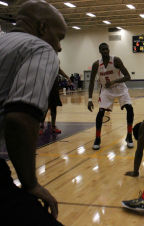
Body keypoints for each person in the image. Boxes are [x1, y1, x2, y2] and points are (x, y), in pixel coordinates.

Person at [0, 1, 66, 225]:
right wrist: (30, 183)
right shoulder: (40, 49)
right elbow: (19, 117)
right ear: (42, 28)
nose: (59, 47)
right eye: (59, 37)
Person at [88, 43, 134, 150]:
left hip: (120, 87)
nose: (105, 51)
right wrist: (90, 99)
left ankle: (129, 136)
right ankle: (97, 138)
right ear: (99, 51)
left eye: (106, 49)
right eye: (102, 49)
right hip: (106, 89)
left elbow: (128, 76)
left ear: (109, 50)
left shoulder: (116, 60)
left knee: (130, 109)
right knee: (100, 113)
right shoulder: (96, 64)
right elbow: (91, 82)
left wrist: (113, 81)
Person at [40, 68, 71, 135]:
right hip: (45, 88)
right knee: (44, 109)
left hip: (54, 88)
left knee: (54, 108)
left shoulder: (55, 61)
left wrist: (67, 77)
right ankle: (41, 127)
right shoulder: (44, 62)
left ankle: (53, 127)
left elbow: (59, 70)